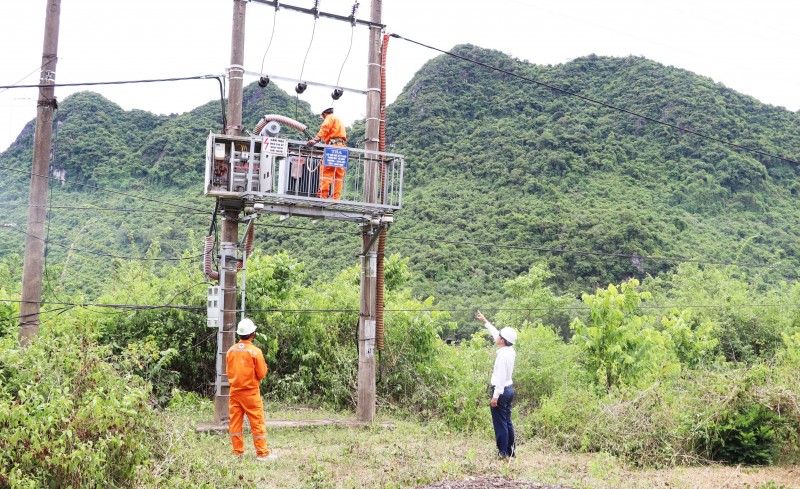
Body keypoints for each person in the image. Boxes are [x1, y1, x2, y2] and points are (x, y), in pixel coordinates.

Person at [226, 318, 275, 461]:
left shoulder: (231, 350)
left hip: (234, 392)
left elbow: (229, 371)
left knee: (235, 423)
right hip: (251, 394)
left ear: (239, 334)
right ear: (253, 334)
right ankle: (262, 453)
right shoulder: (255, 352)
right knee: (257, 422)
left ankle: (237, 452)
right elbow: (261, 373)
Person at [476, 310, 517, 459]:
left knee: (500, 424)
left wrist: (495, 397)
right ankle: (511, 451)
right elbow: (496, 334)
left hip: (501, 390)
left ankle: (502, 453)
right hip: (508, 390)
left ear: (503, 340)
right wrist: (485, 321)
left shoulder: (503, 356)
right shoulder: (509, 350)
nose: (497, 336)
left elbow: (499, 378)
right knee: (507, 422)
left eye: (500, 336)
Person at [306, 107, 347, 200]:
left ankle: (322, 196)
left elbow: (324, 128)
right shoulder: (338, 119)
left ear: (324, 114)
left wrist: (315, 140)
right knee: (338, 175)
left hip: (333, 147)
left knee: (326, 173)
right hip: (342, 148)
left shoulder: (329, 118)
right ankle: (335, 198)